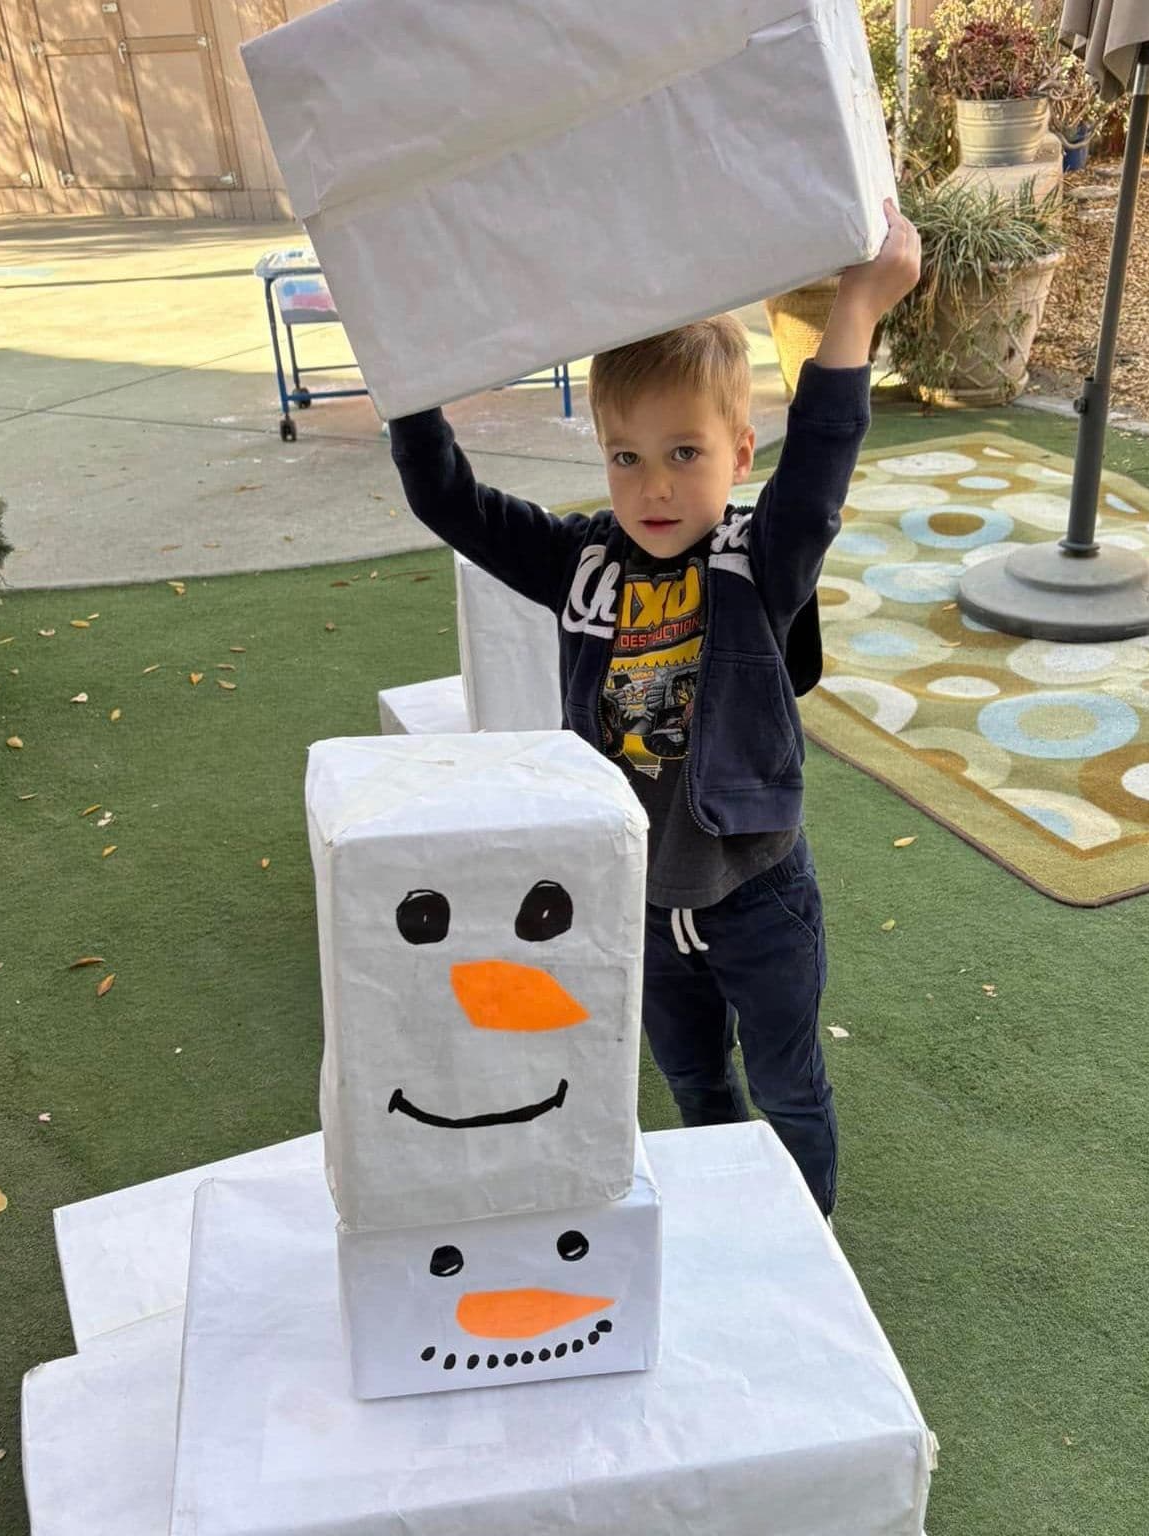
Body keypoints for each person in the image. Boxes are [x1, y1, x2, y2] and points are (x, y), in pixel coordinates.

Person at [388, 200, 921, 1216]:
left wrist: (858, 308)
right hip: (634, 899)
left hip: (756, 895)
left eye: (686, 453)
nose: (654, 486)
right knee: (692, 1081)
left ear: (739, 454)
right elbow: (448, 499)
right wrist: (410, 386)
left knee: (789, 1087)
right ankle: (723, 1211)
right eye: (625, 456)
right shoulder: (581, 558)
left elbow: (817, 478)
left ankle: (797, 1240)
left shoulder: (755, 558)